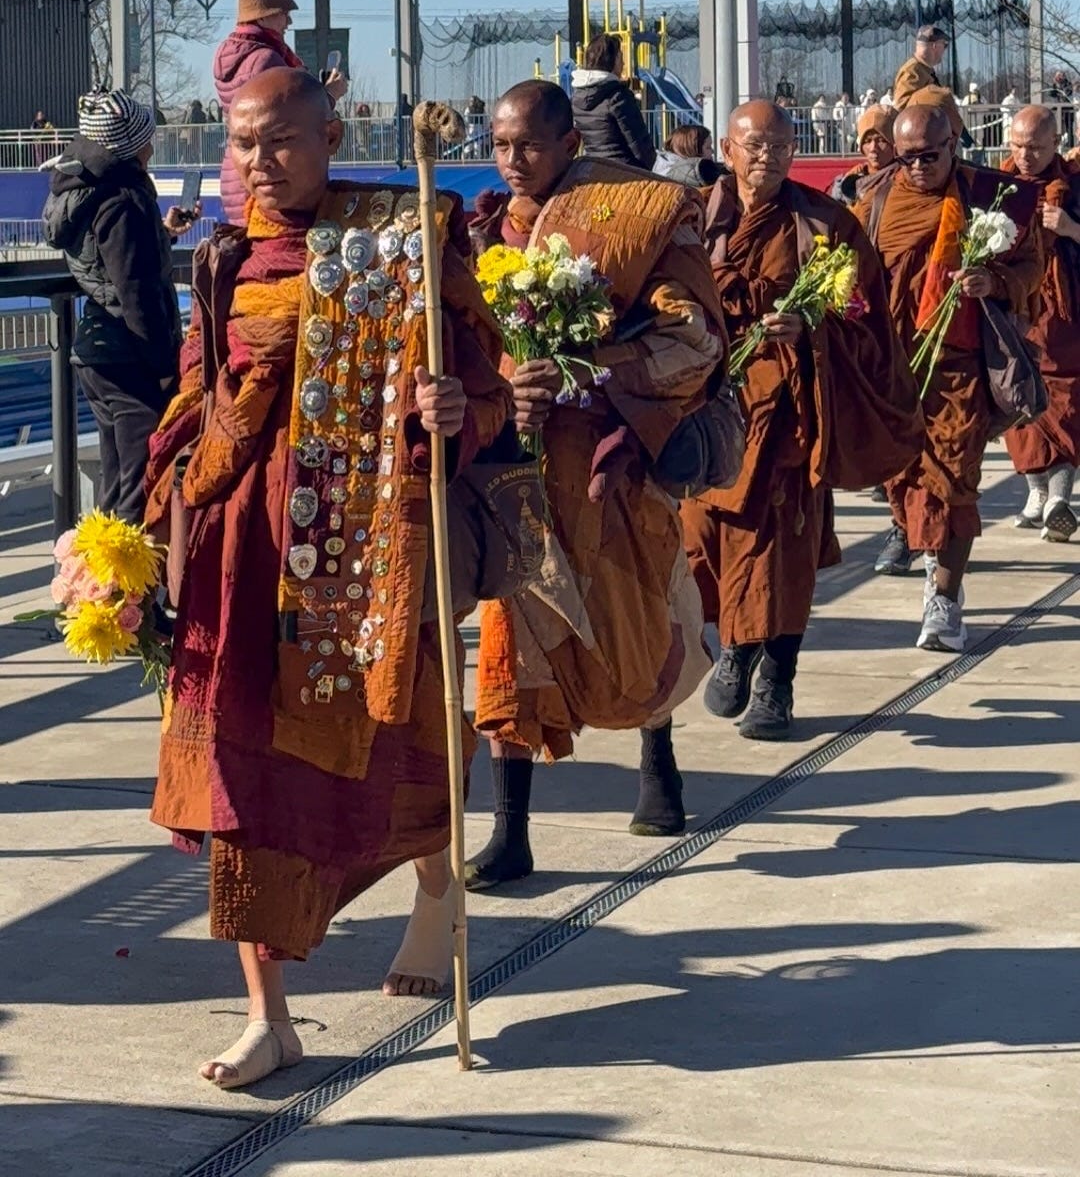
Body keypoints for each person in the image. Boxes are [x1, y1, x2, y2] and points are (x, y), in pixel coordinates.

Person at [143, 68, 512, 1089]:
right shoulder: (227, 256)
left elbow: (485, 386)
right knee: (238, 776)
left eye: (280, 143)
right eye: (244, 145)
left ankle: (436, 882)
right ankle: (271, 1017)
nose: (261, 164)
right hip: (235, 548)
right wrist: (168, 487)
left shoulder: (399, 241)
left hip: (358, 553)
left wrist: (450, 410)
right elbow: (189, 388)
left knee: (388, 754)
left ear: (330, 132)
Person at [466, 79, 723, 888]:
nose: (513, 162)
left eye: (530, 146)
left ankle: (660, 756)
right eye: (500, 145)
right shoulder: (479, 231)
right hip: (516, 470)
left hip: (610, 467)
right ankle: (511, 831)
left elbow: (698, 339)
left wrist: (584, 369)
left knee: (634, 621)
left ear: (570, 146)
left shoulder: (640, 219)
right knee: (513, 636)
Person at [681, 102, 921, 740]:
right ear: (727, 150)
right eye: (755, 146)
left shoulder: (824, 224)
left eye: (782, 147)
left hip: (790, 418)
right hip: (712, 411)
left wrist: (811, 325)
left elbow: (867, 318)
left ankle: (775, 679)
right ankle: (735, 645)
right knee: (705, 531)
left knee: (784, 549)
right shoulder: (693, 218)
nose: (769, 158)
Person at [854, 103, 1041, 651]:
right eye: (906, 155)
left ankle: (945, 598)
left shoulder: (988, 196)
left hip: (957, 368)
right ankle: (916, 548)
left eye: (928, 156)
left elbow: (1031, 267)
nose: (916, 167)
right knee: (901, 479)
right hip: (893, 368)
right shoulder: (877, 200)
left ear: (952, 146)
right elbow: (852, 274)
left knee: (955, 482)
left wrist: (994, 281)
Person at [41, 89, 187, 523]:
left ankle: (99, 584)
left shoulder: (87, 190)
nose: (152, 147)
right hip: (128, 358)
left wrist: (161, 233)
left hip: (97, 354)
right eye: (147, 138)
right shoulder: (123, 202)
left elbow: (105, 263)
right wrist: (164, 366)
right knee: (138, 488)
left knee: (115, 482)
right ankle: (124, 586)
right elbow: (135, 291)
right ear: (128, 146)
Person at [1000, 105, 1080, 540]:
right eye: (1017, 145)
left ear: (1056, 145)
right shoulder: (997, 186)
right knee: (1016, 393)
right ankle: (1035, 492)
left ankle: (1060, 498)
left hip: (1064, 307)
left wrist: (1069, 227)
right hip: (1014, 304)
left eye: (1035, 147)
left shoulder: (1073, 186)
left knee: (1065, 396)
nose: (1025, 155)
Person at [213, 0, 347, 223]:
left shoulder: (228, 55)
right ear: (261, 15)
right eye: (282, 12)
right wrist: (329, 94)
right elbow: (284, 117)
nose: (288, 20)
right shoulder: (266, 60)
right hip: (268, 176)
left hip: (237, 171)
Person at [570, 33, 656, 169]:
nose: (623, 63)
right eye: (621, 58)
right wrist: (650, 166)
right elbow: (639, 143)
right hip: (626, 171)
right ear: (613, 60)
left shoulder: (577, 97)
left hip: (596, 169)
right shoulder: (618, 96)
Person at [829, 105, 896, 204]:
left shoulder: (907, 177)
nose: (873, 148)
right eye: (868, 141)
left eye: (881, 140)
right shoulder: (853, 176)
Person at [892, 23, 950, 110]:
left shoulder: (924, 70)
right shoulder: (912, 70)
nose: (944, 50)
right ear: (935, 46)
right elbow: (901, 107)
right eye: (944, 45)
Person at [652, 122, 723, 188]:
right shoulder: (682, 176)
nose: (712, 151)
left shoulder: (666, 169)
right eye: (708, 147)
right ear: (691, 149)